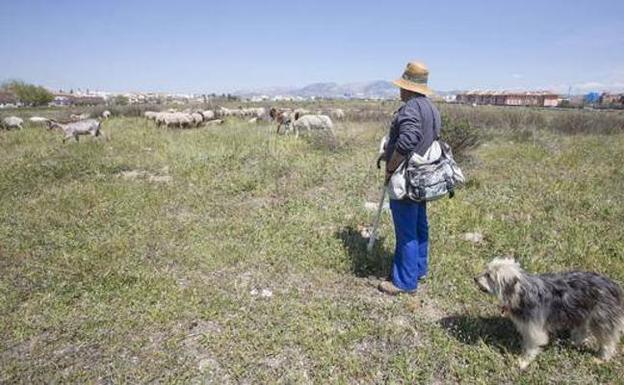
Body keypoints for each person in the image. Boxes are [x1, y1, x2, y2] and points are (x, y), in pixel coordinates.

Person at [378, 61, 441, 295]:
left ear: (408, 87)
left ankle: (404, 282)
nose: (399, 90)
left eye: (401, 86)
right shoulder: (430, 108)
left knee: (406, 229)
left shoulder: (411, 108)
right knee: (418, 224)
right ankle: (417, 269)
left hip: (407, 177)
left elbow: (408, 138)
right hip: (423, 176)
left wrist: (390, 168)